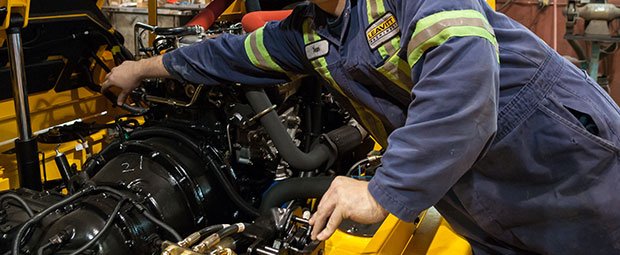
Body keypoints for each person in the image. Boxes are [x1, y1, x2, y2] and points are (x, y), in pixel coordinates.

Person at [102, 0, 620, 254]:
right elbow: (232, 53)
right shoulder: (313, 28)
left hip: (562, 166)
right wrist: (140, 69)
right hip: (479, 194)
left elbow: (464, 91)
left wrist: (383, 191)